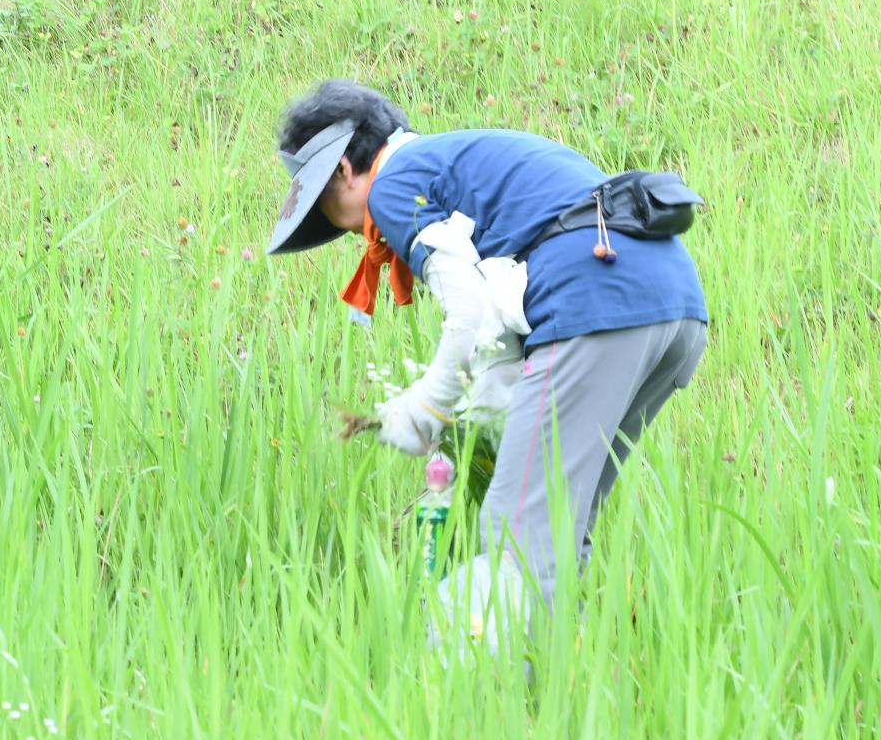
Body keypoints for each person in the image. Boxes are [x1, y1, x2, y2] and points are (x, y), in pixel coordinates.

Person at [266, 79, 708, 642]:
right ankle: (554, 689)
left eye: (321, 200)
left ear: (343, 170)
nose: (340, 225)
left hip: (595, 305)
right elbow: (505, 312)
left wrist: (428, 404)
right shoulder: (460, 162)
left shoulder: (394, 183)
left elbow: (470, 312)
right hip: (673, 308)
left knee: (516, 538)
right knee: (558, 531)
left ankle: (473, 696)